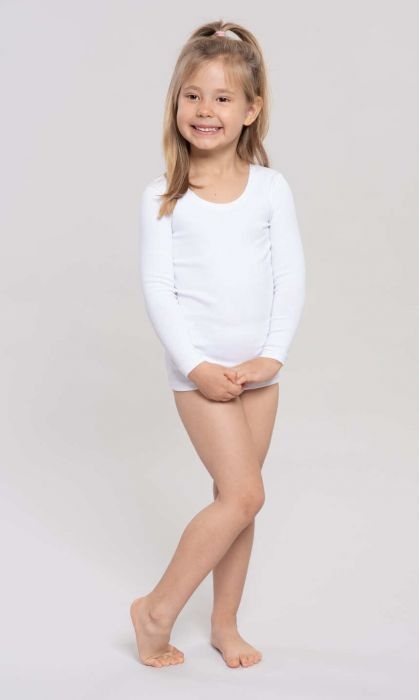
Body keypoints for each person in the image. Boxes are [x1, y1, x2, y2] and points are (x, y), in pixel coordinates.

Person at [131, 20, 306, 669]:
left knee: (237, 501)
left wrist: (271, 356)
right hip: (200, 374)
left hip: (258, 372)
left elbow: (290, 278)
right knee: (244, 495)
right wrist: (195, 366)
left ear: (251, 110)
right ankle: (155, 611)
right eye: (193, 96)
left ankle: (224, 625)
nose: (205, 110)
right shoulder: (163, 195)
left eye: (223, 98)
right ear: (176, 103)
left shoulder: (270, 188)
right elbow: (158, 290)